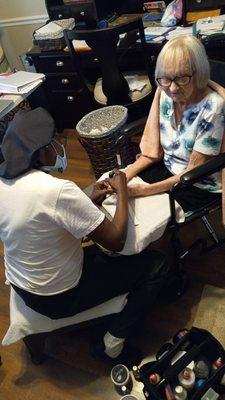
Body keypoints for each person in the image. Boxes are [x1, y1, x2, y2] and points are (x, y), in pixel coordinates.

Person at [0, 107, 168, 367]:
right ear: (42, 150)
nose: (59, 146)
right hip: (58, 297)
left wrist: (85, 200)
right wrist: (122, 189)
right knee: (157, 264)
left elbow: (37, 220)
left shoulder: (5, 183)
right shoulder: (55, 191)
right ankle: (111, 344)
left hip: (23, 284)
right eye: (56, 141)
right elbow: (116, 239)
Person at [125, 36, 225, 212]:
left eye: (182, 79)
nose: (172, 88)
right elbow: (152, 152)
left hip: (197, 182)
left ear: (199, 73)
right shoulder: (165, 92)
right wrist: (126, 175)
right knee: (116, 191)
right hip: (168, 166)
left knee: (138, 213)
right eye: (165, 79)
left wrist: (144, 191)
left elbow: (193, 171)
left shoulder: (213, 107)